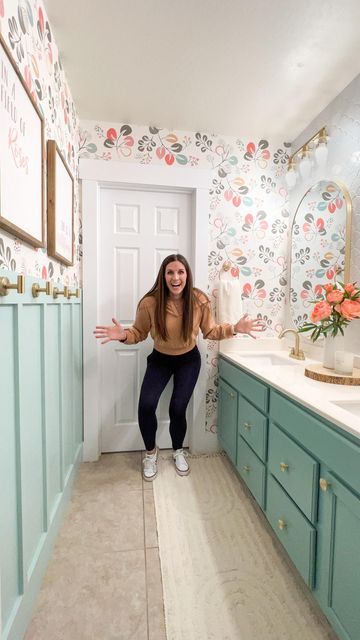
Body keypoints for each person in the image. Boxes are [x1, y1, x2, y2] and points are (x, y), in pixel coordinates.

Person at [93, 254, 265, 481]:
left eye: (180, 272)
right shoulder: (150, 303)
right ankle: (151, 453)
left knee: (177, 408)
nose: (176, 277)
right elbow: (139, 333)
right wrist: (123, 334)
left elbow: (211, 331)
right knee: (146, 405)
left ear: (187, 275)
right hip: (160, 359)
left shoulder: (199, 300)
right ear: (163, 276)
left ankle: (177, 451)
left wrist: (235, 328)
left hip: (188, 360)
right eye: (170, 272)